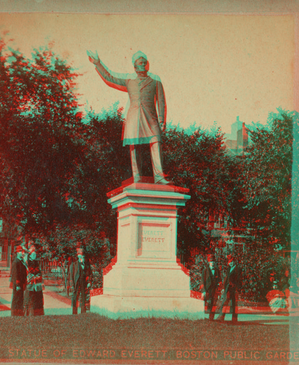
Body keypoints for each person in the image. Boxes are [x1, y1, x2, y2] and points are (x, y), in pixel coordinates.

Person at [87, 50, 172, 185]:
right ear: (134, 66)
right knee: (134, 145)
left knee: (156, 141)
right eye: (140, 63)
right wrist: (97, 63)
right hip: (134, 117)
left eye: (145, 62)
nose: (143, 65)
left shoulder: (155, 80)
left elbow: (161, 101)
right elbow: (110, 77)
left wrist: (162, 120)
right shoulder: (129, 79)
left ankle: (159, 176)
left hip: (151, 118)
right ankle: (136, 176)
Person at [216, 254, 242, 323]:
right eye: (229, 261)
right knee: (224, 302)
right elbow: (226, 278)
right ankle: (221, 316)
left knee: (234, 304)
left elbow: (239, 279)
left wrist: (237, 287)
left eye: (231, 260)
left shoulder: (238, 268)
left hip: (234, 289)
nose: (229, 262)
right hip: (227, 288)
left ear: (233, 260)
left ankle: (234, 319)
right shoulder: (229, 268)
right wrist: (223, 287)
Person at [69, 247, 93, 314]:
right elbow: (71, 275)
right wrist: (72, 284)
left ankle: (83, 311)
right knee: (75, 296)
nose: (81, 255)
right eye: (79, 254)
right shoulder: (74, 264)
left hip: (83, 281)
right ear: (77, 255)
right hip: (76, 282)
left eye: (82, 254)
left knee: (83, 295)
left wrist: (89, 281)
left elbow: (90, 272)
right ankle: (74, 311)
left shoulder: (86, 263)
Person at [25, 244, 44, 316]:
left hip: (37, 285)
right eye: (32, 250)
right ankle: (29, 313)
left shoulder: (36, 262)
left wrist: (38, 276)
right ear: (29, 251)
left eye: (34, 250)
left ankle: (38, 314)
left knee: (38, 299)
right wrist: (33, 277)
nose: (34, 252)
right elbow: (27, 272)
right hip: (30, 285)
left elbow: (39, 271)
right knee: (30, 299)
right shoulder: (27, 262)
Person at [202, 254, 221, 320]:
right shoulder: (205, 270)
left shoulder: (217, 271)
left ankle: (211, 317)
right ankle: (207, 316)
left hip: (214, 290)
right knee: (208, 302)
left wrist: (219, 289)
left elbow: (219, 280)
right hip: (207, 290)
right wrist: (204, 290)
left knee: (214, 303)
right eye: (211, 262)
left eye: (213, 262)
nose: (212, 263)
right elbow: (202, 281)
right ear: (208, 262)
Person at [10, 245, 27, 316]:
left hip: (21, 283)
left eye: (22, 251)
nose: (22, 253)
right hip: (18, 283)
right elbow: (15, 274)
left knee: (20, 298)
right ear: (17, 252)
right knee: (17, 298)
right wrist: (17, 284)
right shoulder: (16, 262)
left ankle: (19, 312)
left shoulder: (20, 261)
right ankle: (15, 312)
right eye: (21, 251)